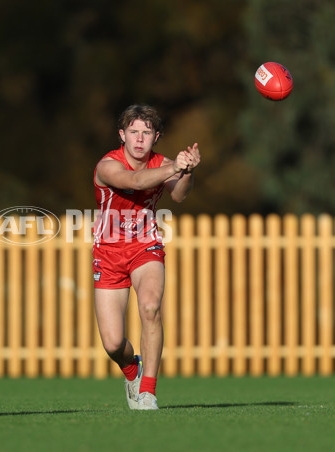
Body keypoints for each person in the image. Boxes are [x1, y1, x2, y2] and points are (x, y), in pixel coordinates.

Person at [93, 104, 200, 410]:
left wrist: (187, 172)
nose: (139, 139)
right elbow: (135, 182)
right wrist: (175, 168)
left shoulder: (163, 163)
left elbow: (179, 194)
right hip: (109, 252)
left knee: (151, 308)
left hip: (146, 246)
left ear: (156, 137)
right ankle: (132, 370)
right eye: (133, 132)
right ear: (121, 135)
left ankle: (148, 391)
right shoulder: (107, 165)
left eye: (146, 133)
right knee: (114, 344)